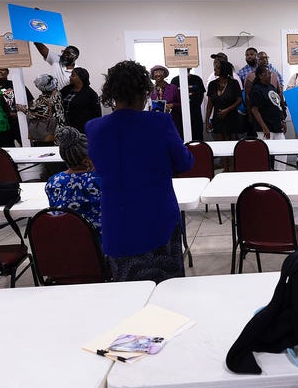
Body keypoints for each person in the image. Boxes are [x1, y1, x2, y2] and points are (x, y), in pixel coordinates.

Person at [86, 60, 193, 283]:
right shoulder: (160, 122)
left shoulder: (94, 128)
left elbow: (101, 167)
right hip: (158, 219)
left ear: (111, 93)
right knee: (168, 292)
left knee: (128, 295)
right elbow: (184, 163)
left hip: (118, 221)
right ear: (144, 92)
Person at [45, 126, 102, 234]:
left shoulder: (53, 182)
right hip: (99, 244)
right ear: (86, 162)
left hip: (66, 243)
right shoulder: (99, 182)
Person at [206, 60, 241, 171]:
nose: (215, 69)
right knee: (221, 145)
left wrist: (227, 110)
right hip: (217, 117)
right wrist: (207, 120)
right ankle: (225, 168)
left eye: (217, 68)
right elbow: (210, 103)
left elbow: (239, 100)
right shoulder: (212, 84)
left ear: (224, 70)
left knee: (231, 144)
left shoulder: (233, 83)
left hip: (231, 117)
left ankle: (233, 168)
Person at [16, 74, 66, 145]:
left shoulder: (42, 100)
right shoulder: (57, 94)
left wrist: (23, 109)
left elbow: (33, 115)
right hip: (61, 129)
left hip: (49, 131)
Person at [59, 67, 101, 133]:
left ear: (81, 78)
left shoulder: (91, 94)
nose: (70, 77)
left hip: (81, 130)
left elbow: (97, 115)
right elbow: (57, 98)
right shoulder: (67, 89)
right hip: (65, 128)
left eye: (73, 75)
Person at [0, 67, 33, 145]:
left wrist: (27, 115)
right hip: (3, 125)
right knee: (6, 149)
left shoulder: (16, 84)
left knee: (26, 145)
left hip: (19, 122)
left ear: (7, 72)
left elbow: (30, 101)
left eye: (2, 69)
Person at [250, 64, 286, 142]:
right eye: (266, 74)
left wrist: (282, 121)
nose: (269, 75)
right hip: (266, 129)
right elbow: (254, 110)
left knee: (282, 152)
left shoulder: (272, 87)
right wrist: (264, 127)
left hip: (277, 127)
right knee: (266, 152)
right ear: (260, 76)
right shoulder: (256, 89)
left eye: (270, 73)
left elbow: (277, 106)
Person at [171, 68, 206, 141]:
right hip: (180, 115)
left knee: (197, 138)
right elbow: (173, 97)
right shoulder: (175, 80)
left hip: (195, 114)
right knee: (181, 138)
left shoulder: (197, 79)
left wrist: (195, 106)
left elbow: (201, 95)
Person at [150, 65, 183, 136]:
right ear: (153, 75)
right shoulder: (150, 89)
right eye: (156, 72)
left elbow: (181, 104)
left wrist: (172, 105)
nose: (158, 74)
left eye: (160, 72)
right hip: (156, 121)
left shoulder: (173, 88)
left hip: (172, 121)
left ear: (165, 75)